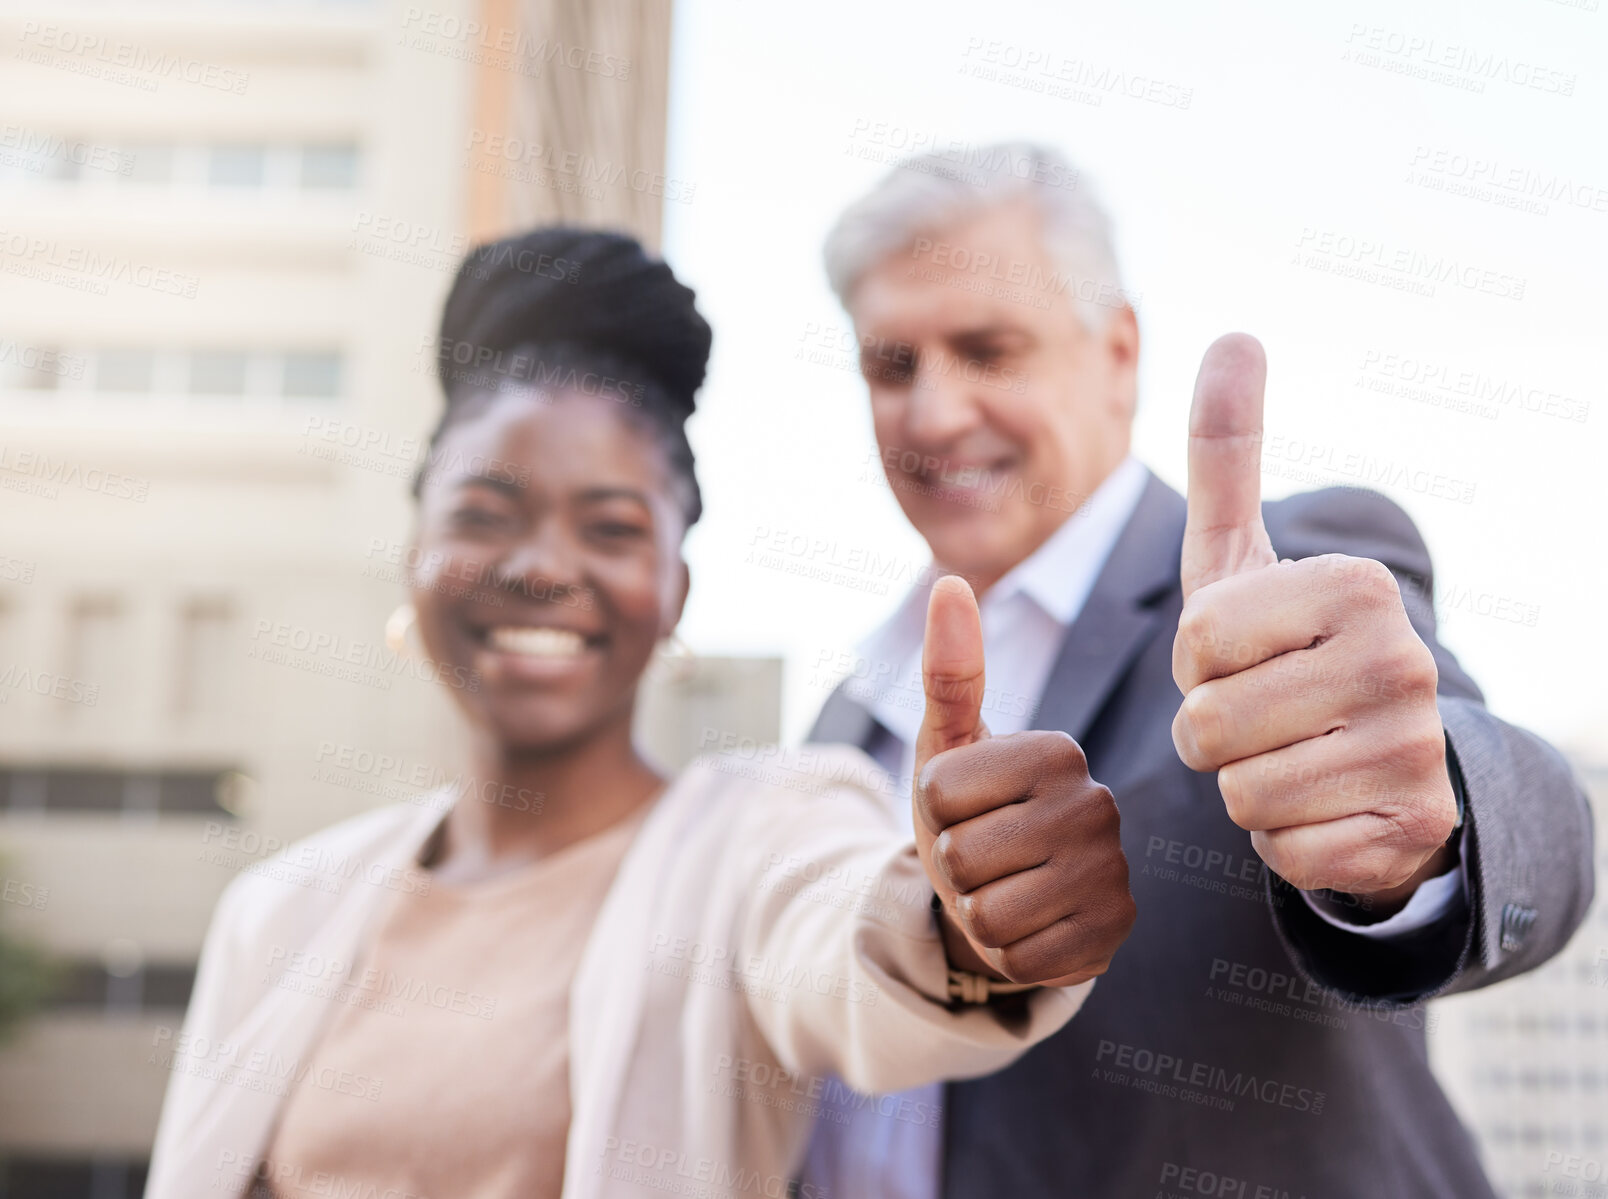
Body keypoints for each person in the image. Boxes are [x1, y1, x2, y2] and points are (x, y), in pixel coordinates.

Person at [142, 226, 1137, 1199]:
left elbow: (847, 943)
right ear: (415, 552)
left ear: (674, 589)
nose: (540, 567)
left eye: (611, 527)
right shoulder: (278, 909)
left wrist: (966, 927)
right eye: (484, 514)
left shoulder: (759, 836)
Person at [800, 142, 1595, 1198]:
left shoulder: (1274, 597)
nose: (933, 412)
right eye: (890, 364)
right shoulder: (842, 724)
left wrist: (1425, 813)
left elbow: (1530, 832)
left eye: (987, 349)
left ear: (1117, 352)